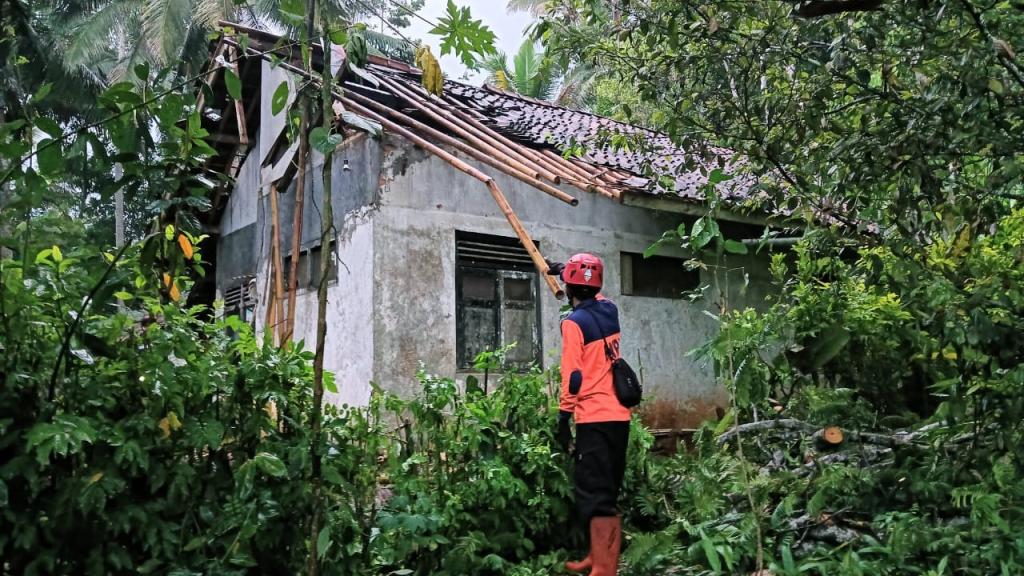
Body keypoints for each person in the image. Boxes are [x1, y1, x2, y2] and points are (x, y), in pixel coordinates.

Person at [547, 253, 630, 576]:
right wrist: (564, 270)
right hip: (619, 417)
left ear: (569, 288)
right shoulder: (610, 310)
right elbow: (595, 294)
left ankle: (606, 569)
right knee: (605, 488)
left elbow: (573, 377)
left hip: (594, 418)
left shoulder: (572, 324)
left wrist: (563, 418)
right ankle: (598, 558)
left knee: (596, 494)